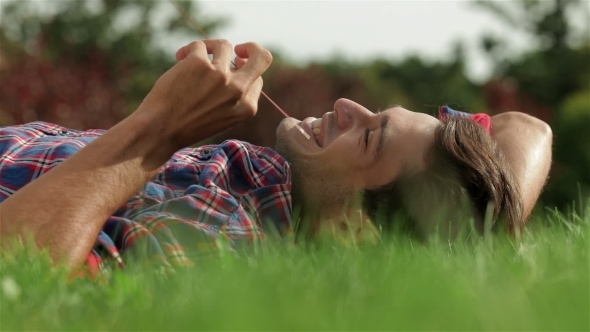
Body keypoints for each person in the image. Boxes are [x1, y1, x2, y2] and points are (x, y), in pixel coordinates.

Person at [0, 40, 553, 275]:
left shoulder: (218, 245)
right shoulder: (290, 183)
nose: (346, 106)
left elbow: (19, 276)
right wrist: (484, 242)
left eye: (368, 137)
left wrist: (158, 125)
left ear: (355, 234)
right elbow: (526, 129)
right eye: (376, 112)